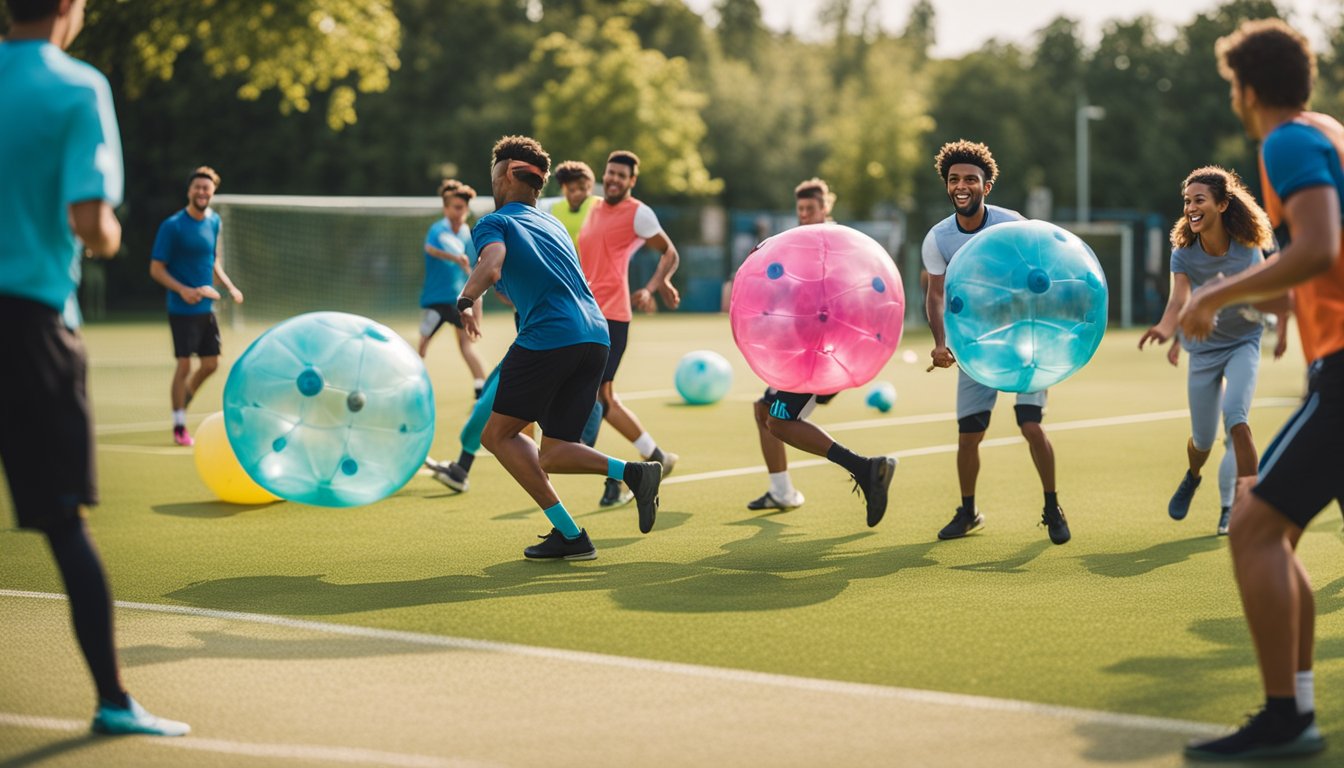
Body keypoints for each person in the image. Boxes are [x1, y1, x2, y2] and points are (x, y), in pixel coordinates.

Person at [0, 0, 189, 736]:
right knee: (63, 524)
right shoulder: (78, 87)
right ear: (70, 10)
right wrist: (107, 235)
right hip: (30, 325)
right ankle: (114, 701)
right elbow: (92, 225)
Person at [1178, 19, 1344, 760]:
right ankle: (1294, 710)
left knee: (1252, 525)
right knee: (1275, 529)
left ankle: (1286, 718)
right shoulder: (1327, 130)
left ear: (1246, 90)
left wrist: (1217, 296)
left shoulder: (1283, 142)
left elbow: (1318, 246)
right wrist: (1278, 302)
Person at [456, 135, 662, 559]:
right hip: (596, 336)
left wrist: (465, 299)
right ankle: (631, 477)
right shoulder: (552, 224)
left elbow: (491, 265)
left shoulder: (495, 222)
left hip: (548, 337)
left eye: (494, 173)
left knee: (497, 435)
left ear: (506, 176)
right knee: (554, 452)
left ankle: (571, 532)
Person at [922, 140, 1070, 545]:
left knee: (1030, 425)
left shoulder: (1013, 225)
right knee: (968, 435)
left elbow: (1043, 275)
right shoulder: (938, 238)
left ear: (987, 186)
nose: (962, 186)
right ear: (947, 186)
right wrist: (941, 342)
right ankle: (968, 512)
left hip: (1025, 339)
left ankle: (1052, 506)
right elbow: (935, 295)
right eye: (954, 180)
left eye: (971, 179)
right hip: (976, 343)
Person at [1139, 166, 1280, 536]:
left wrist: (1275, 324)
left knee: (1237, 419)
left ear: (1222, 203)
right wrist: (1167, 329)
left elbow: (1262, 294)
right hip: (1202, 350)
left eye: (1199, 200)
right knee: (1202, 441)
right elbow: (1179, 300)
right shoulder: (1183, 253)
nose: (1190, 208)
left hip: (1243, 342)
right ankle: (1193, 474)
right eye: (1187, 202)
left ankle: (1240, 508)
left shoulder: (1249, 250)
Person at [577, 150, 681, 507]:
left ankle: (616, 478)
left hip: (612, 318)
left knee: (590, 400)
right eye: (611, 173)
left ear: (632, 181)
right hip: (585, 314)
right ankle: (656, 457)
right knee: (603, 399)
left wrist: (655, 286)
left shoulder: (638, 213)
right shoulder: (593, 209)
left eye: (622, 175)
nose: (615, 179)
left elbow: (669, 252)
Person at [748, 178, 842, 511]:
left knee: (777, 418)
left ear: (825, 207)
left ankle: (864, 467)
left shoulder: (838, 243)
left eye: (810, 209)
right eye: (800, 209)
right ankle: (782, 491)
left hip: (825, 352)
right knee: (763, 411)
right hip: (798, 350)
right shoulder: (795, 243)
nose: (804, 215)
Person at [148, 165, 242, 446]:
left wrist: (229, 286)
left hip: (206, 310)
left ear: (213, 192)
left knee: (212, 364)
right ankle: (179, 423)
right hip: (181, 309)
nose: (202, 192)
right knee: (184, 365)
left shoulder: (214, 222)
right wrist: (184, 290)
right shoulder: (173, 225)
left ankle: (183, 400)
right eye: (198, 187)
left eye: (207, 188)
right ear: (189, 191)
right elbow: (156, 268)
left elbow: (213, 261)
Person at [417, 179, 487, 399]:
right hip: (436, 300)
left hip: (458, 301)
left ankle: (481, 393)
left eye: (464, 207)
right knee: (421, 348)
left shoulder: (466, 231)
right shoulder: (438, 230)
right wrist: (455, 257)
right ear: (446, 208)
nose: (460, 211)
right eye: (456, 207)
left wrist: (477, 302)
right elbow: (430, 248)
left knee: (467, 347)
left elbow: (472, 268)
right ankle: (412, 388)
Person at [548, 160, 598, 246]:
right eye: (571, 190)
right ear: (563, 188)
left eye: (582, 189)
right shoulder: (554, 209)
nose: (577, 194)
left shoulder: (599, 206)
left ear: (590, 187)